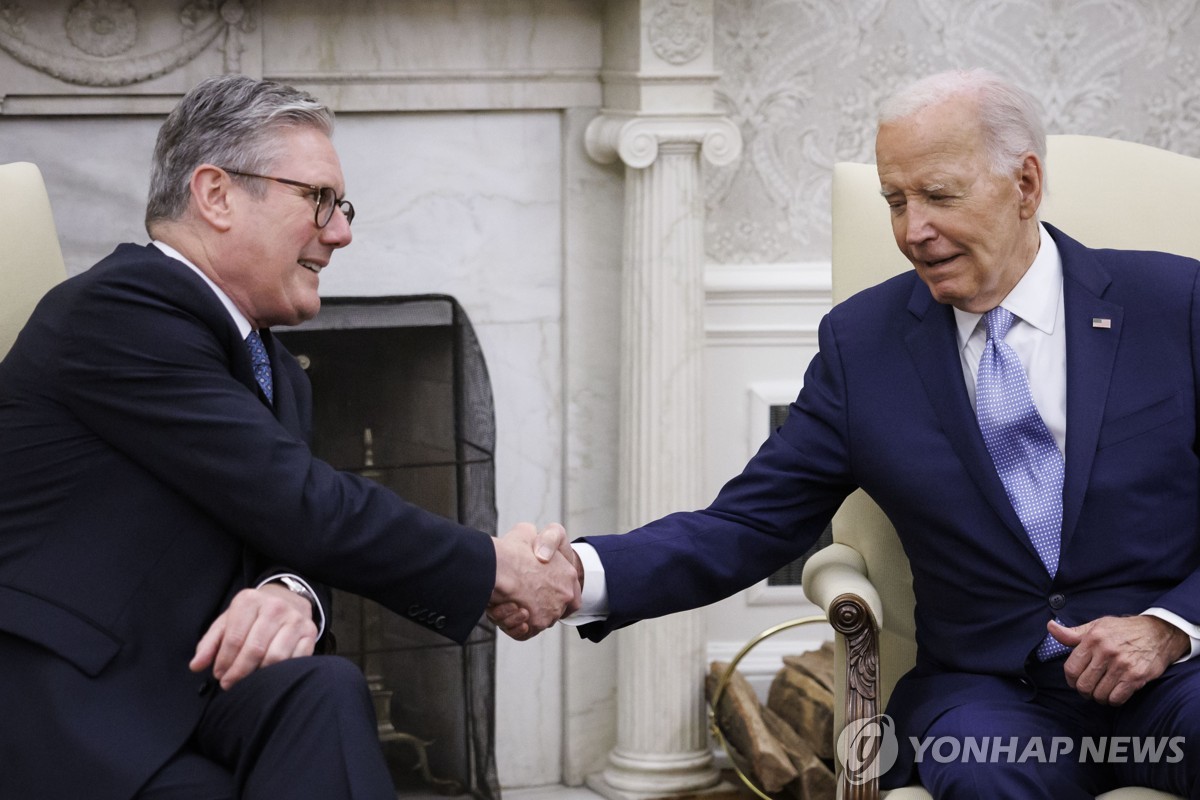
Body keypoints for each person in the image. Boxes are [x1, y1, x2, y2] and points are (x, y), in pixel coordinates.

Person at [493, 69, 1200, 798]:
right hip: (994, 699)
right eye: (895, 201)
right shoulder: (862, 346)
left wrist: (1171, 625)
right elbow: (747, 523)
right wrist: (578, 576)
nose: (912, 230)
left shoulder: (1174, 304)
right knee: (987, 774)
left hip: (1173, 678)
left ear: (1025, 185)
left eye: (938, 196)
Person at [0, 74, 579, 800]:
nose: (341, 232)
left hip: (188, 690)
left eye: (343, 207)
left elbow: (281, 523)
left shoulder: (276, 368)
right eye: (318, 200)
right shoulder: (118, 310)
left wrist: (290, 591)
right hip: (78, 708)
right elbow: (303, 501)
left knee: (326, 689)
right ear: (215, 195)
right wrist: (496, 565)